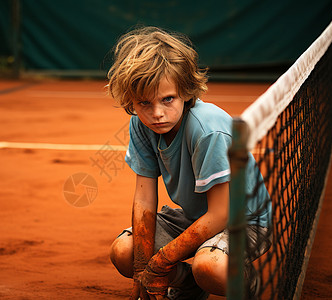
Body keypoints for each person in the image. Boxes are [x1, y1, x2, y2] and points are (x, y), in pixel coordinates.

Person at [107, 26, 271, 299]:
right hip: (194, 217)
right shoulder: (140, 124)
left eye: (167, 99)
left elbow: (221, 214)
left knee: (210, 268)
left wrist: (159, 263)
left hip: (245, 221)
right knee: (124, 252)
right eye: (144, 103)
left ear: (184, 90)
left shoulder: (207, 131)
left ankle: (249, 287)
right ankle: (188, 285)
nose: (157, 113)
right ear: (132, 101)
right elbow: (144, 196)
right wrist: (140, 268)